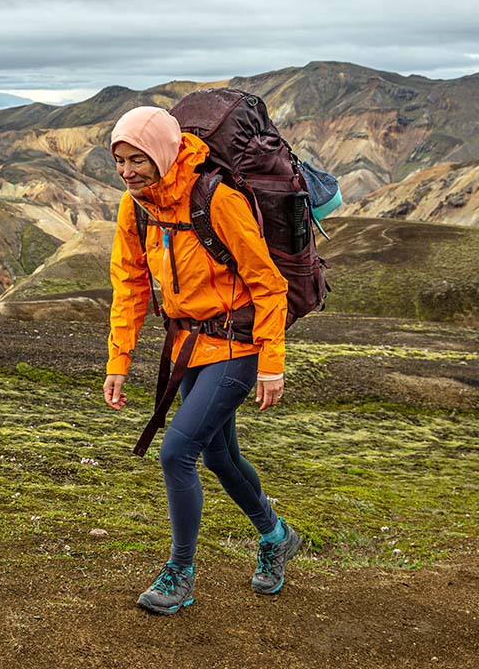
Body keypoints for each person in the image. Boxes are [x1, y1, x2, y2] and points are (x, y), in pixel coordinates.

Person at [103, 105, 302, 615]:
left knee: (177, 453)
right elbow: (129, 285)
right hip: (189, 347)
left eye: (138, 160)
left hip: (237, 346)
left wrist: (272, 362)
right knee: (217, 455)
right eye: (120, 161)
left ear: (165, 154)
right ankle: (276, 535)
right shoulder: (137, 206)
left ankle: (180, 573)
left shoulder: (216, 198)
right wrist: (118, 361)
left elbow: (268, 282)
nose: (128, 172)